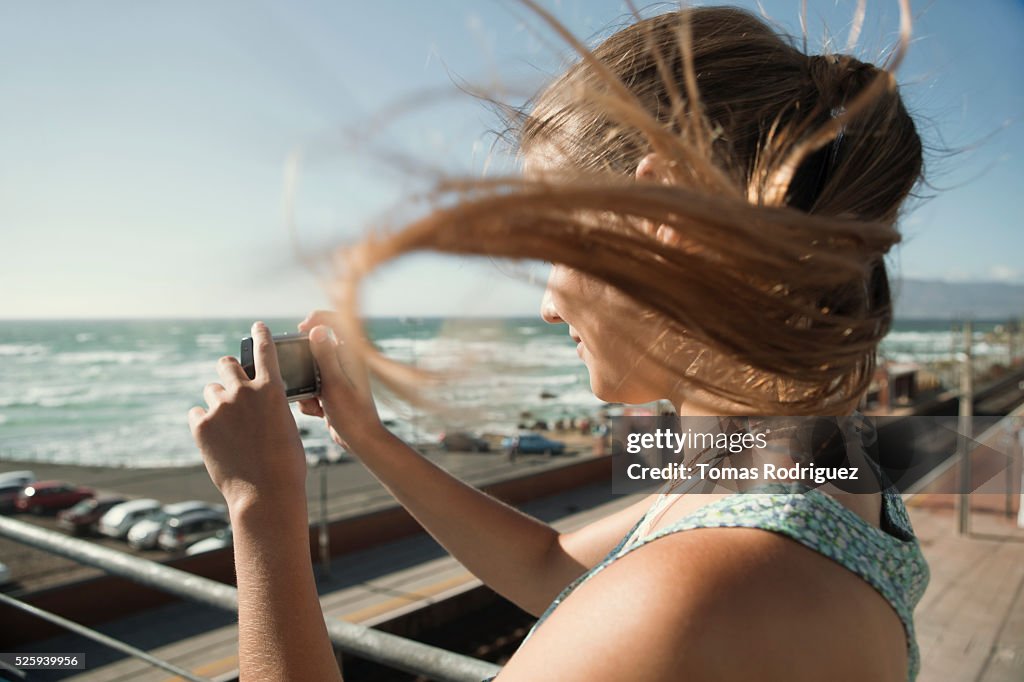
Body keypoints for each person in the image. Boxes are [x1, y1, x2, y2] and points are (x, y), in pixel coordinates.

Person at [188, 4, 930, 680]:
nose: (547, 303)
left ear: (664, 215)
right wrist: (369, 437)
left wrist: (261, 507)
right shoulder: (803, 466)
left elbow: (633, 588)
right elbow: (549, 566)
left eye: (557, 243)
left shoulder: (693, 591)